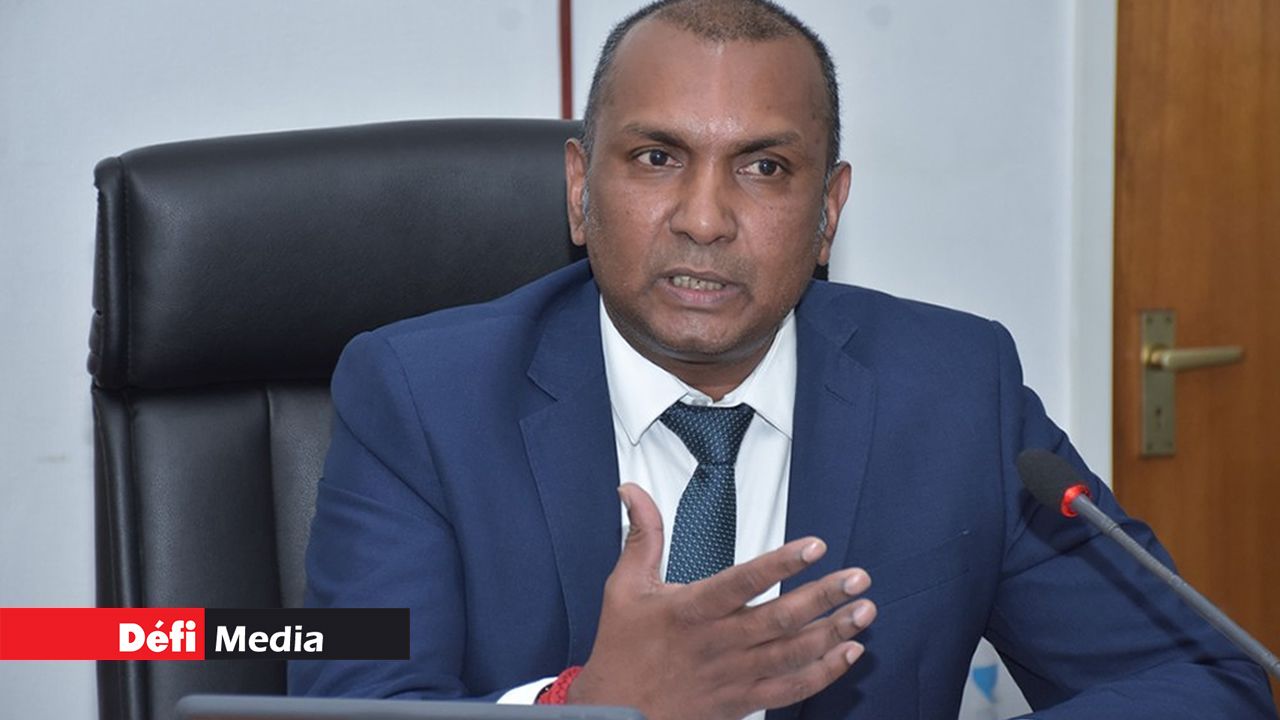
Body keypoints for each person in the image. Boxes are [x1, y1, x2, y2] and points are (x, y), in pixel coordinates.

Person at [289, 1, 1278, 718]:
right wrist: (585, 709)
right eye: (655, 158)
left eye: (764, 167)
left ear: (827, 212)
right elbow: (353, 701)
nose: (705, 219)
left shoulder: (952, 391)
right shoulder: (422, 399)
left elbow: (1203, 679)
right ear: (580, 190)